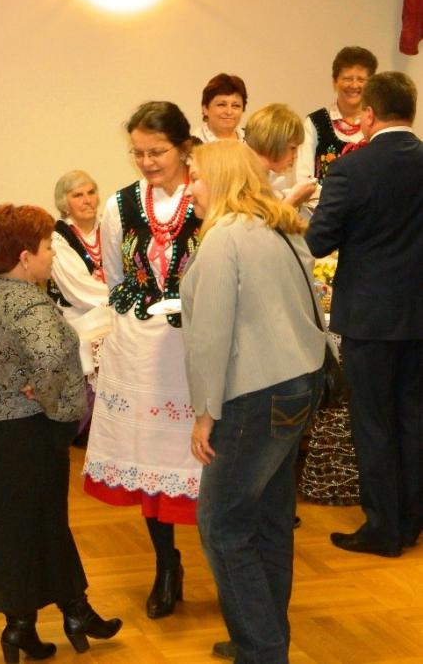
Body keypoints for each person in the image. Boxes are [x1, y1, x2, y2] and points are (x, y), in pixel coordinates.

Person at [181, 140, 325, 663]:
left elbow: (211, 334)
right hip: (299, 382)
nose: (189, 188)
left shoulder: (224, 238)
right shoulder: (276, 225)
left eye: (195, 177)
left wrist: (204, 413)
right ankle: (263, 635)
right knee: (268, 522)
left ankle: (261, 649)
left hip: (254, 393)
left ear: (220, 178)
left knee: (221, 527)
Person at [0, 203, 121, 663]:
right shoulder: (30, 304)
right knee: (40, 523)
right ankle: (61, 616)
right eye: (48, 246)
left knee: (14, 527)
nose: (52, 254)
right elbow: (51, 359)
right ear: (24, 256)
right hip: (28, 431)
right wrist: (50, 399)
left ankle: (37, 622)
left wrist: (27, 379)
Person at [83, 101, 202, 620]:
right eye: (139, 153)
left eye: (158, 151)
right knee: (149, 458)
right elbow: (114, 274)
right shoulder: (120, 204)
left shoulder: (207, 195)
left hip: (194, 346)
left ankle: (227, 563)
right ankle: (166, 563)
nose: (148, 162)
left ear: (184, 147)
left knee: (200, 455)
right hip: (137, 348)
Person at [306, 71, 423, 557]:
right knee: (414, 417)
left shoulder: (352, 169)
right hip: (419, 313)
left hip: (370, 316)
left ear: (369, 114)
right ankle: (412, 522)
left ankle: (382, 529)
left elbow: (319, 241)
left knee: (373, 421)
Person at [48, 170, 109, 443]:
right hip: (77, 314)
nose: (87, 200)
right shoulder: (57, 239)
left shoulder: (111, 228)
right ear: (65, 203)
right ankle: (85, 427)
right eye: (78, 195)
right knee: (93, 341)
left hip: (111, 309)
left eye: (91, 192)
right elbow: (77, 290)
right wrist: (120, 298)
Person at [296, 46, 378, 183]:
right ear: (334, 82)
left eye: (361, 79)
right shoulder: (314, 123)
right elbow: (303, 179)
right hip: (322, 197)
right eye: (347, 79)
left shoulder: (378, 123)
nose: (354, 85)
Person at [245, 104, 319, 218]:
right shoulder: (243, 179)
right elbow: (258, 226)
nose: (295, 156)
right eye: (293, 148)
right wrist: (293, 200)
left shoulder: (267, 178)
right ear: (274, 142)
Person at [198, 73, 247, 143]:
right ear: (205, 109)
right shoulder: (193, 146)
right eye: (222, 105)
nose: (229, 112)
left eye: (236, 106)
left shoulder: (252, 141)